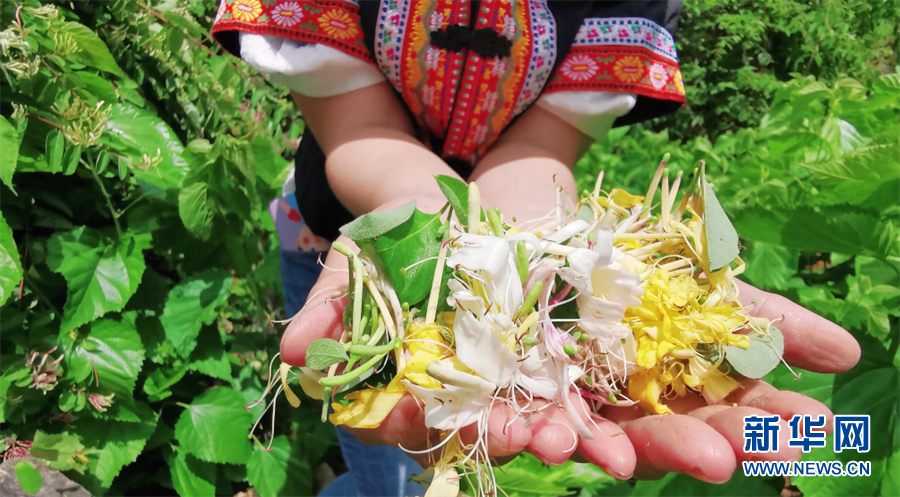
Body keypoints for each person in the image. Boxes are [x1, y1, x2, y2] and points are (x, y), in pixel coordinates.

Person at [212, 1, 861, 495]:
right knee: (383, 452)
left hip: (515, 224)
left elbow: (540, 150)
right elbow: (359, 125)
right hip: (346, 246)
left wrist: (543, 246)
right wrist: (425, 216)